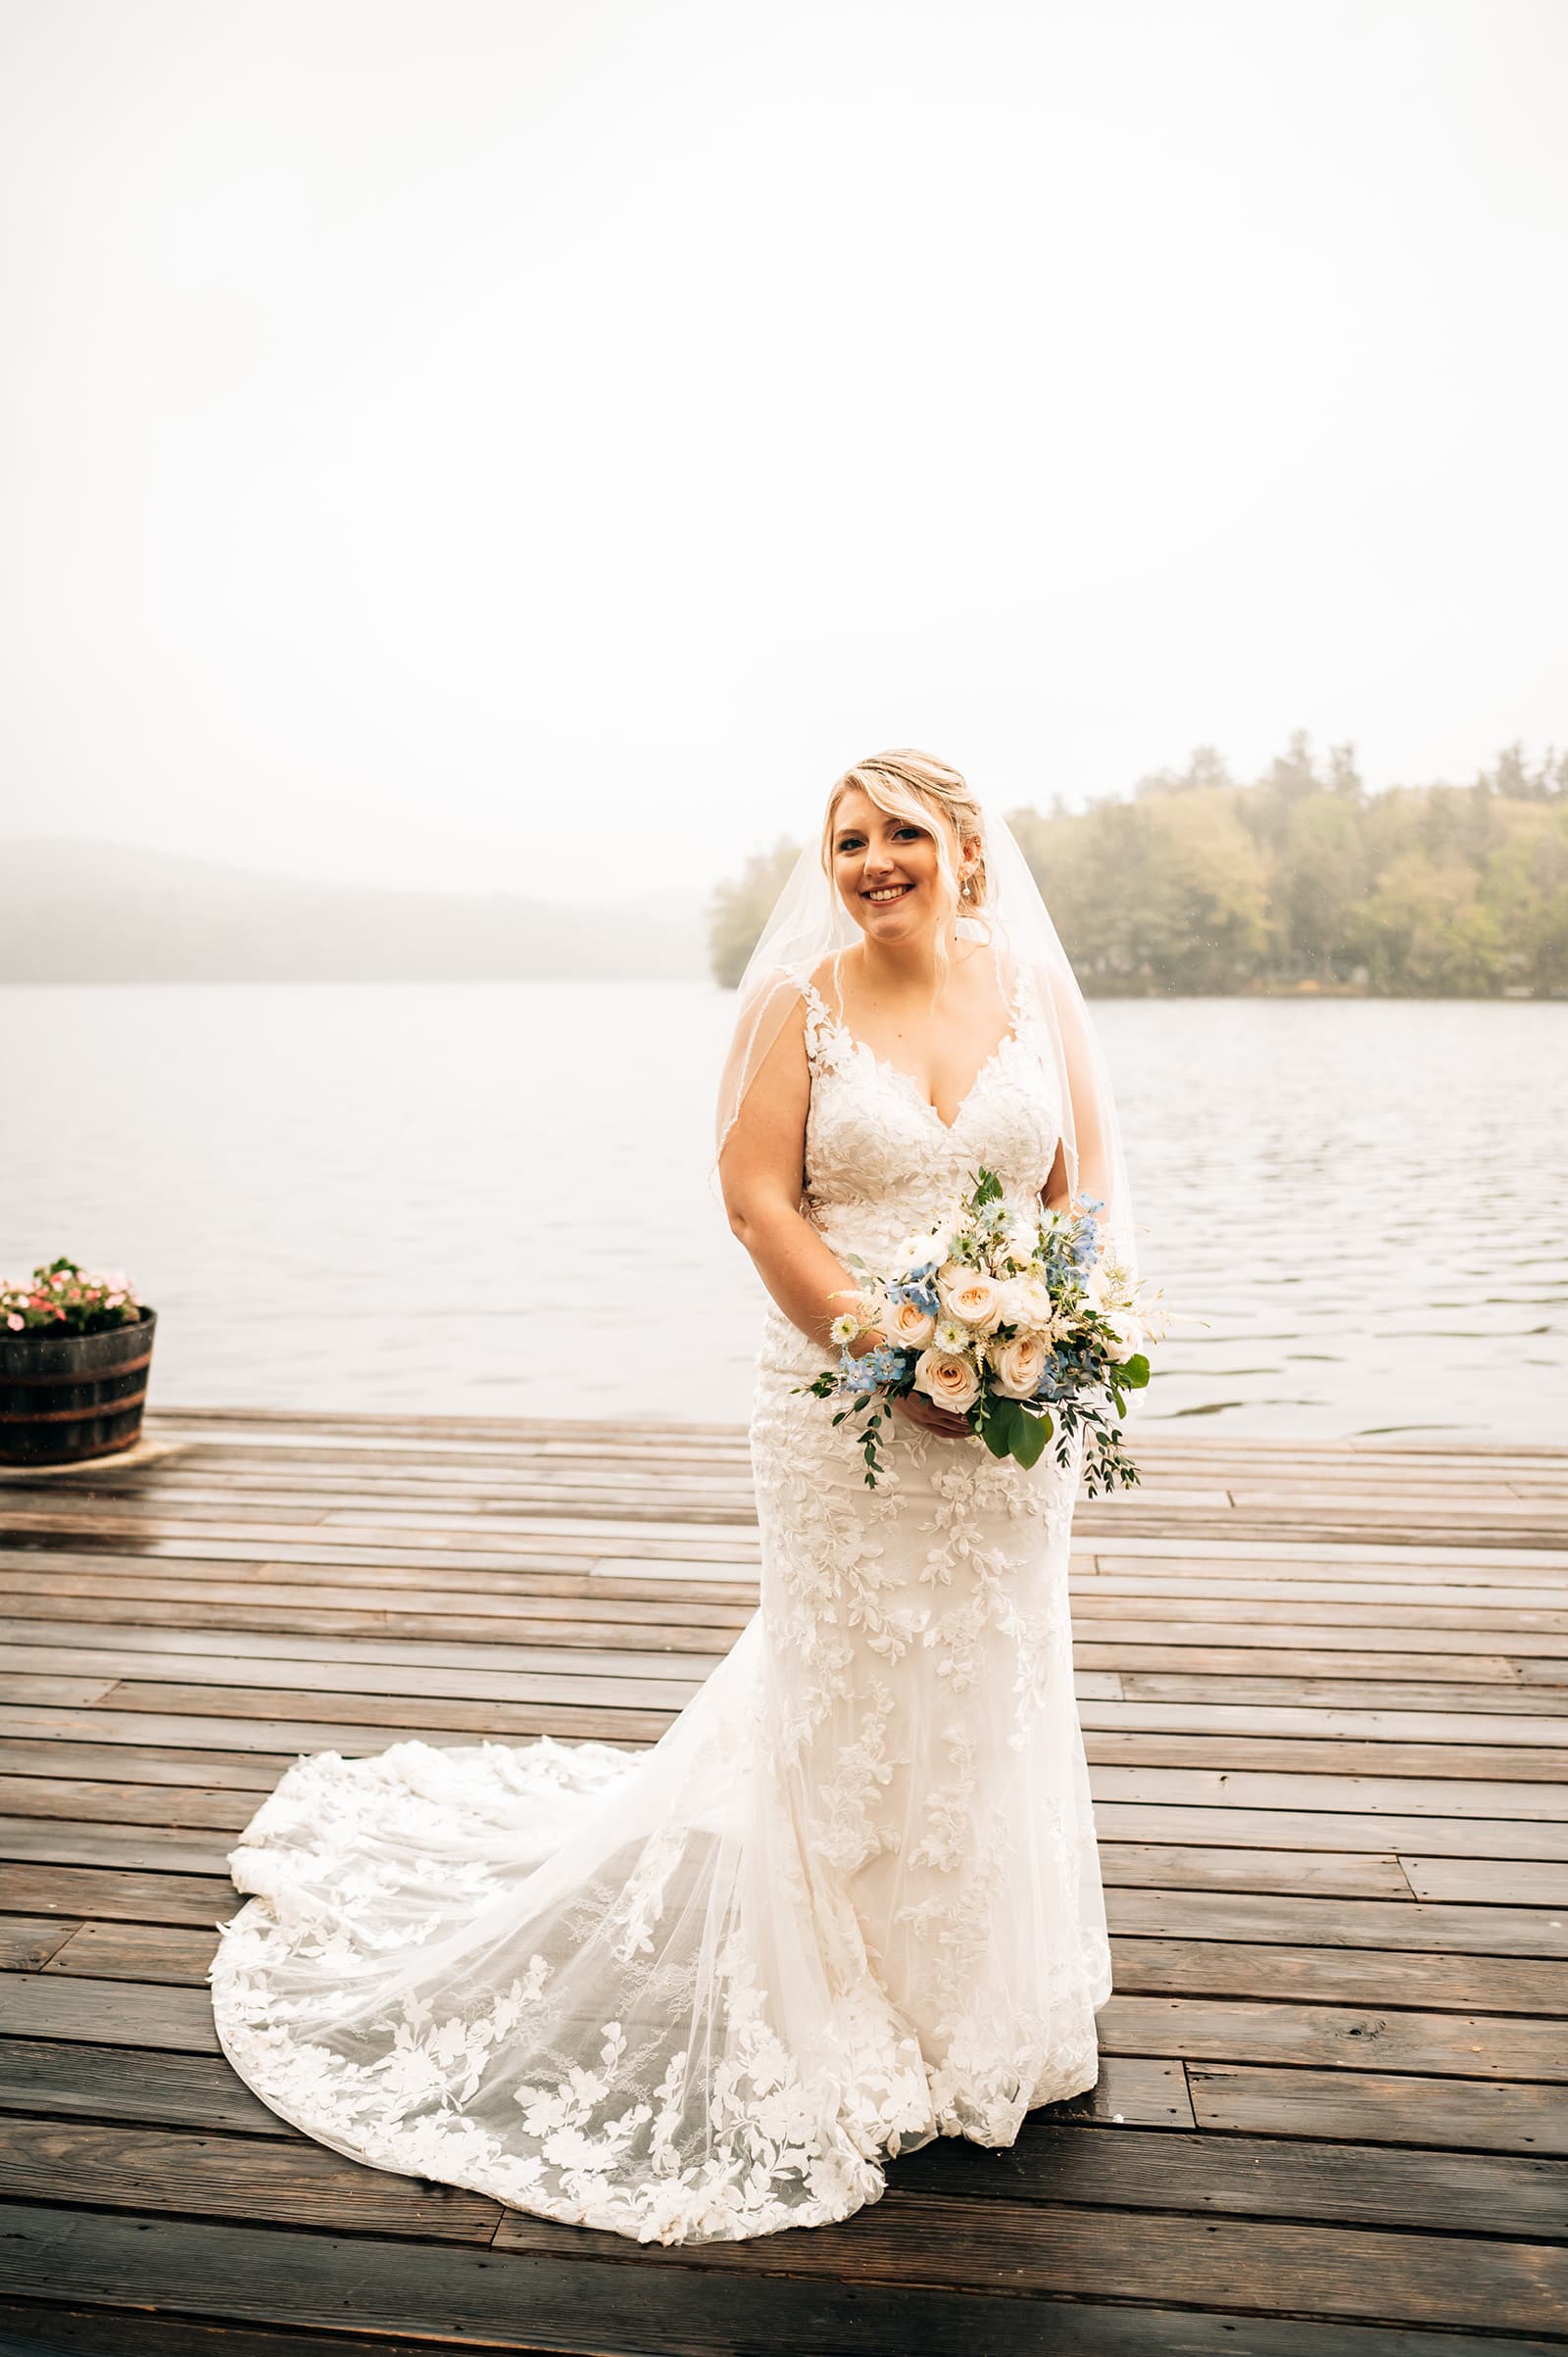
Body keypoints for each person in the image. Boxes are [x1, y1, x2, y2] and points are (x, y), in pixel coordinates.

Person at [209, 748, 1134, 2246]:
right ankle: (834, 2002)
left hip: (1006, 1426)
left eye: (903, 830)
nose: (874, 858)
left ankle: (982, 1997)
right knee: (846, 1671)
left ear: (965, 845)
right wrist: (887, 1348)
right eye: (847, 839)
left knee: (987, 1672)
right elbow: (757, 1197)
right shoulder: (799, 1006)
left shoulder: (1031, 993)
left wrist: (1036, 1345)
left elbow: (1076, 1196)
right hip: (837, 1403)